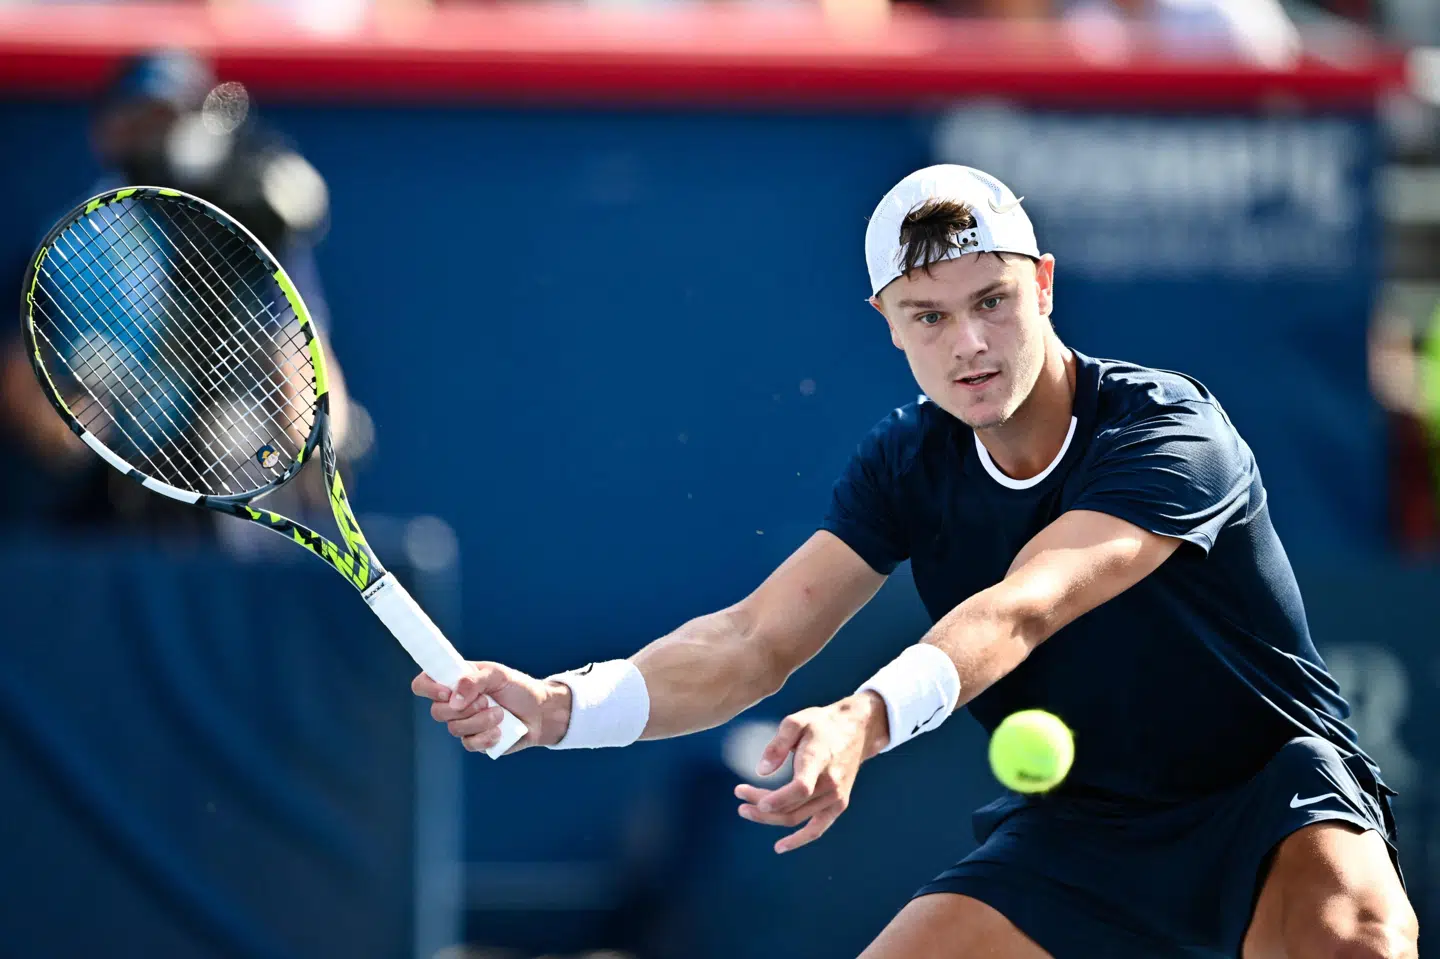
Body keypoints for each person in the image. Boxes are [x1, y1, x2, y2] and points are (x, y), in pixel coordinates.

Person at [412, 165, 1418, 958]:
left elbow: (1025, 605)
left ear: (1046, 284)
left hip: (1268, 789)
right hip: (1088, 827)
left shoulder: (1168, 431)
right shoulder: (906, 462)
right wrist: (564, 708)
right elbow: (753, 639)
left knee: (1355, 940)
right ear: (886, 324)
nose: (970, 344)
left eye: (994, 300)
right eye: (928, 316)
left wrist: (865, 714)